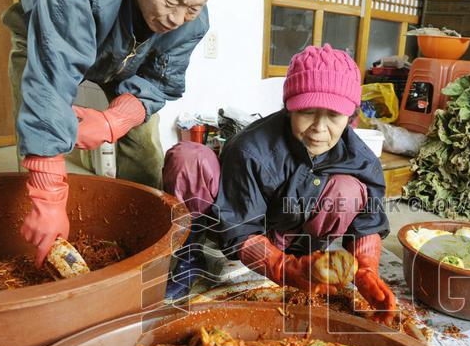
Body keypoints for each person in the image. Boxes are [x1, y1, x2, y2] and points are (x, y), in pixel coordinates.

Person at [4, 0, 221, 266]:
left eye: (192, 8)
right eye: (172, 1)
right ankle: (32, 238)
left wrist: (113, 121)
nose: (177, 18)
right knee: (35, 136)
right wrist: (48, 195)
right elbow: (49, 84)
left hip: (131, 53)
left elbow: (160, 82)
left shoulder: (189, 20)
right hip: (48, 25)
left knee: (146, 150)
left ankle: (142, 244)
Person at [162, 44, 398, 323]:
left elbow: (368, 223)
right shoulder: (251, 149)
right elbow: (240, 229)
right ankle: (190, 256)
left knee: (348, 189)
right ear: (289, 108)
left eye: (334, 116)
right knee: (189, 158)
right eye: (307, 112)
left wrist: (366, 270)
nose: (320, 129)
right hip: (241, 229)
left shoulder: (361, 159)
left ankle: (309, 260)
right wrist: (281, 266)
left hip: (299, 239)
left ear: (351, 118)